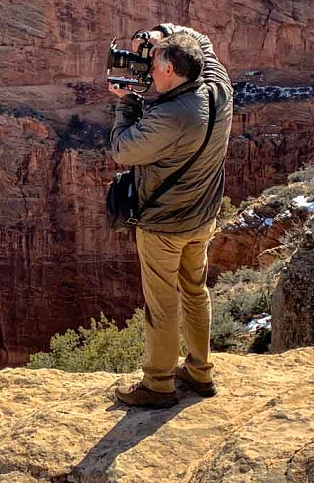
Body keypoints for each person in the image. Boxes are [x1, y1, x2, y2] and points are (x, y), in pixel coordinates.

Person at [108, 24, 233, 408]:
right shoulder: (217, 86)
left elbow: (122, 150)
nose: (151, 70)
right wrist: (160, 33)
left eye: (157, 64)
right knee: (195, 291)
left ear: (172, 72)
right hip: (204, 217)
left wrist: (125, 102)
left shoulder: (173, 117)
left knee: (162, 304)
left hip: (165, 226)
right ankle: (200, 371)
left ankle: (159, 384)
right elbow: (204, 42)